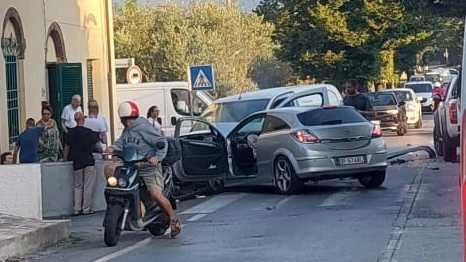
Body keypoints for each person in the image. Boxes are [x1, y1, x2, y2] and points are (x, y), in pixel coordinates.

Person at [106, 101, 181, 237]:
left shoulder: (144, 127)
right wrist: (112, 148)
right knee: (111, 172)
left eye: (129, 119)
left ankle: (174, 219)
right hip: (132, 166)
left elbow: (162, 142)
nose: (128, 122)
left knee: (155, 194)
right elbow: (122, 142)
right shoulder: (127, 130)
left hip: (149, 167)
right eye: (127, 120)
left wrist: (157, 157)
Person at [64, 112, 100, 216]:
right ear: (83, 120)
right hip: (89, 161)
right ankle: (86, 208)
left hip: (77, 162)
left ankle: (76, 209)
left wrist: (65, 159)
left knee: (77, 186)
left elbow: (67, 147)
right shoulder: (89, 132)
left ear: (75, 120)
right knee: (88, 186)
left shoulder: (70, 133)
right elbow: (98, 146)